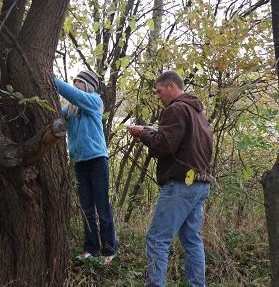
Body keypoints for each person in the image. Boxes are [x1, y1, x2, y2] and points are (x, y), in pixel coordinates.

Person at [127, 70, 213, 286]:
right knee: (192, 240)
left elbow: (165, 145)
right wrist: (152, 132)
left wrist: (142, 134)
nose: (158, 96)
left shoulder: (176, 109)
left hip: (181, 185)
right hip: (200, 184)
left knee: (157, 239)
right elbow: (183, 145)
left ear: (172, 87)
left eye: (159, 91)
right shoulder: (198, 114)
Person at [54, 70, 117, 265]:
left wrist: (51, 78)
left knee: (102, 207)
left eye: (78, 82)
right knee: (86, 208)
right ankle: (91, 248)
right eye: (74, 82)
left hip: (97, 160)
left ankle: (109, 249)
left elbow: (75, 95)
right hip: (80, 162)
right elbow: (56, 114)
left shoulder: (94, 101)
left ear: (87, 85)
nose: (75, 85)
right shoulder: (70, 109)